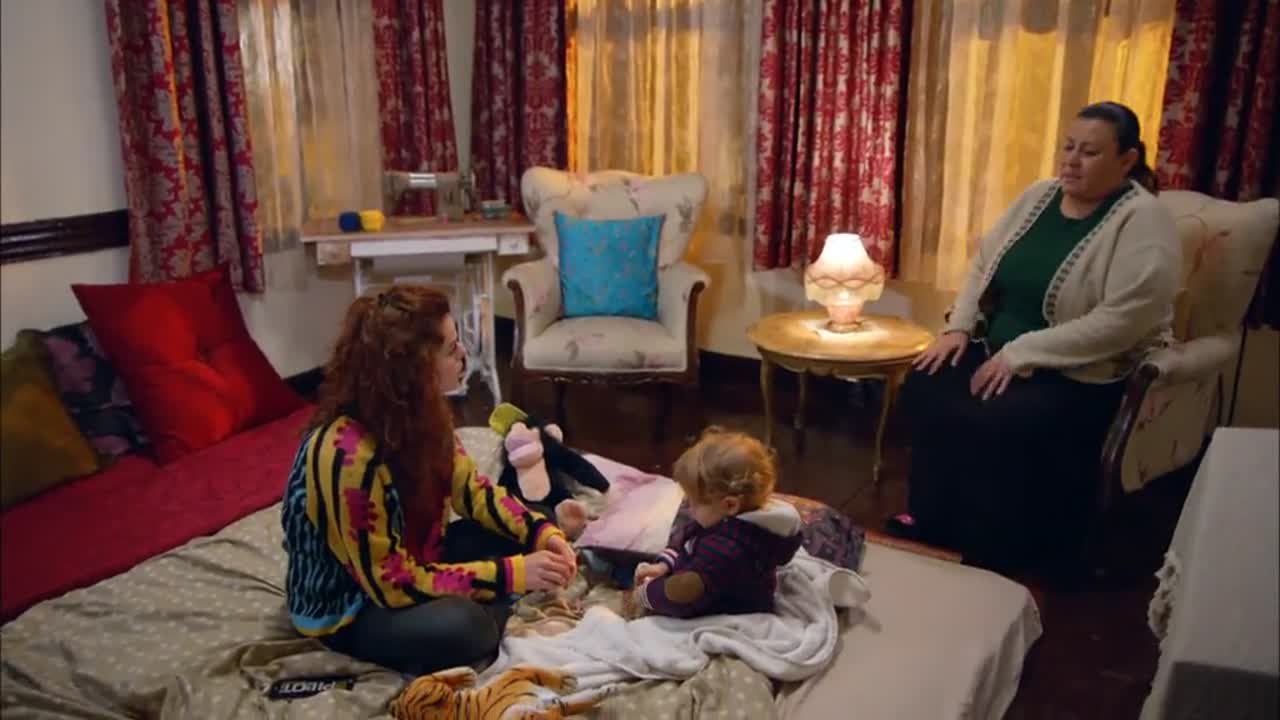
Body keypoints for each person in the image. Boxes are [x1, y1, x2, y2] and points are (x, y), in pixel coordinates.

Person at [889, 101, 1181, 576]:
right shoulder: (1038, 196)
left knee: (1001, 420)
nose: (1071, 161)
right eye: (1068, 147)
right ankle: (934, 521)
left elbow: (1122, 321)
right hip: (996, 350)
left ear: (1127, 160)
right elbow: (984, 264)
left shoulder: (1144, 221)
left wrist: (1022, 354)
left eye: (1089, 152)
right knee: (926, 383)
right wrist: (959, 326)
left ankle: (1001, 546)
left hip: (1080, 371)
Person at [281, 286, 577, 676]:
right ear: (416, 368)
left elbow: (473, 492)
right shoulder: (346, 455)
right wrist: (511, 574)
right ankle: (485, 611)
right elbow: (391, 584)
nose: (464, 355)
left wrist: (540, 532)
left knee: (540, 520)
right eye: (452, 349)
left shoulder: (423, 412)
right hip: (355, 604)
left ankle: (486, 601)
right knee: (467, 628)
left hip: (416, 557)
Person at [632, 428, 802, 618]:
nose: (688, 506)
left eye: (694, 502)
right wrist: (665, 565)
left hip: (721, 611)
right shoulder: (726, 520)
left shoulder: (723, 554)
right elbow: (688, 537)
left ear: (730, 504)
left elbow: (682, 597)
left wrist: (646, 594)